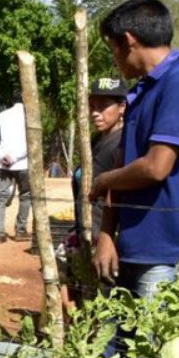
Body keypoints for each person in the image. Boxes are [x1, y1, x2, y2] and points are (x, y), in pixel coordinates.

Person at [91, 0, 179, 302]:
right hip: (131, 247)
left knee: (154, 346)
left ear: (129, 41)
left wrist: (103, 181)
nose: (114, 61)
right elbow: (123, 164)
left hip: (168, 253)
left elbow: (156, 167)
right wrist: (107, 235)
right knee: (117, 346)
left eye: (112, 50)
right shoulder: (142, 91)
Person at [73, 77, 128, 241]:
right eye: (92, 106)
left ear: (122, 107)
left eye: (103, 106)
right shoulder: (95, 140)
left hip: (105, 235)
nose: (95, 113)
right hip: (87, 230)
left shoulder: (123, 143)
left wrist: (106, 237)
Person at [0, 94, 32, 245]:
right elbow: (32, 142)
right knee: (25, 196)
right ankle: (20, 231)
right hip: (23, 164)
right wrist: (16, 157)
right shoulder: (30, 117)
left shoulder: (1, 116)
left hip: (2, 165)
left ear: (11, 101)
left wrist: (2, 155)